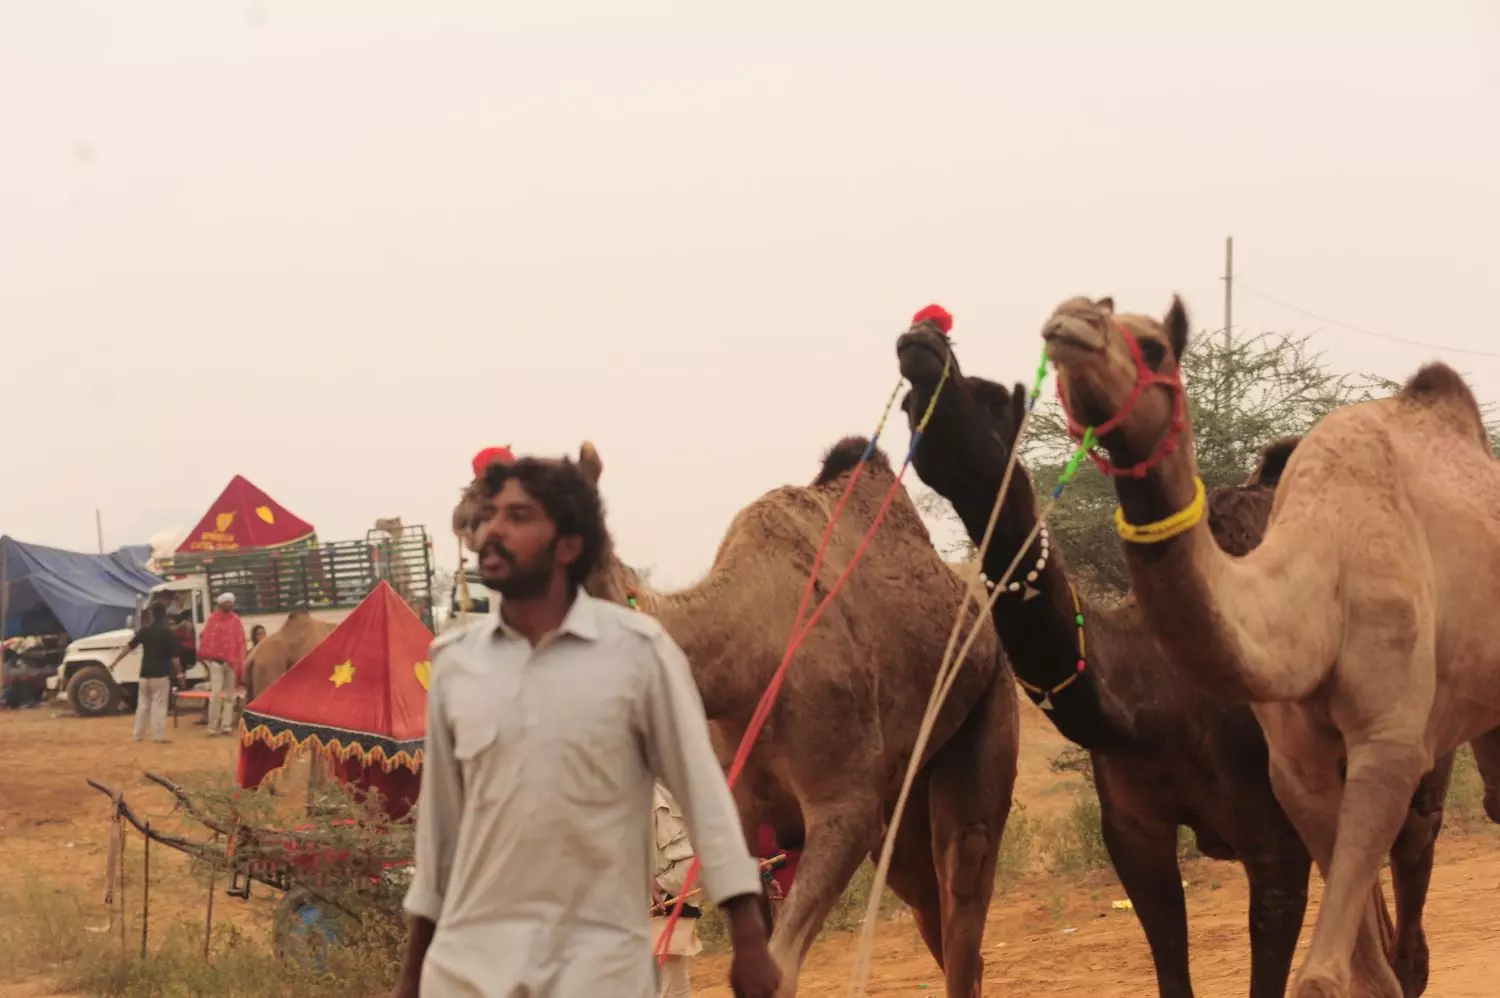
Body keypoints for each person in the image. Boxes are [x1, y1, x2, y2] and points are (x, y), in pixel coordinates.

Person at [397, 453, 780, 998]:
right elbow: (438, 838)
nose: (493, 530)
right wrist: (412, 975)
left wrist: (748, 935)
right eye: (489, 517)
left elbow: (705, 800)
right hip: (469, 969)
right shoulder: (455, 666)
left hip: (599, 968)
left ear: (569, 546)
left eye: (518, 516)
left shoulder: (640, 655)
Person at [651, 783, 702, 997]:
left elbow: (691, 865)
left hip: (662, 913)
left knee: (670, 990)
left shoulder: (655, 802)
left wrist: (659, 884)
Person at [107, 605, 184, 743]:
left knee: (142, 706)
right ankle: (158, 735)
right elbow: (175, 658)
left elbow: (128, 648)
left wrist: (114, 663)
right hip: (161, 675)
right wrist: (179, 674)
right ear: (165, 615)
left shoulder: (144, 631)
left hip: (144, 675)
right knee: (159, 706)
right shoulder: (167, 633)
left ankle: (137, 735)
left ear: (151, 614)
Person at [197, 592, 247, 737]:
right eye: (226, 603)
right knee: (216, 694)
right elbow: (205, 638)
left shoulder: (236, 620)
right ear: (220, 604)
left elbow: (240, 641)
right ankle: (212, 727)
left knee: (230, 696)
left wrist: (239, 660)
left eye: (230, 603)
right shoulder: (212, 620)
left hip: (231, 662)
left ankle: (226, 726)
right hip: (216, 663)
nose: (228, 605)